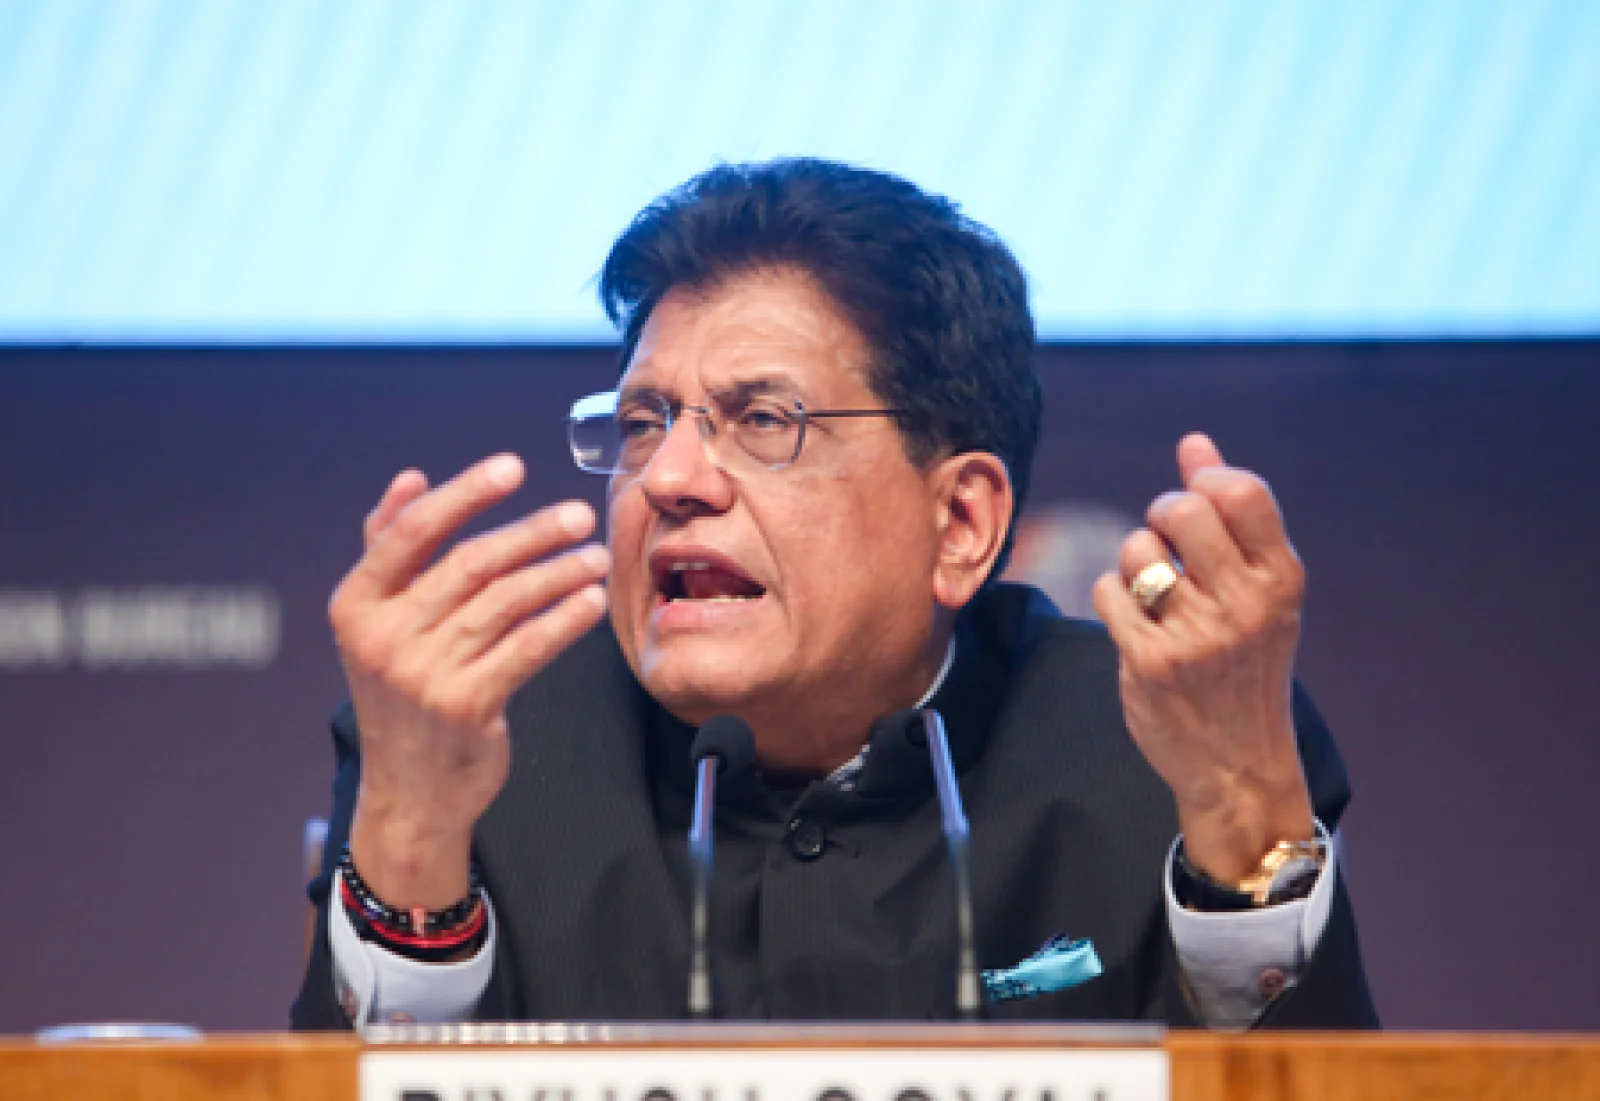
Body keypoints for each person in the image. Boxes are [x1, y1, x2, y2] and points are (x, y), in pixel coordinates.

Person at [292, 159, 1376, 1030]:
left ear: (960, 523)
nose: (668, 479)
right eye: (643, 423)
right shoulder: (476, 743)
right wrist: (410, 839)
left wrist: (1242, 820)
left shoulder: (1157, 746)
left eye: (764, 420)